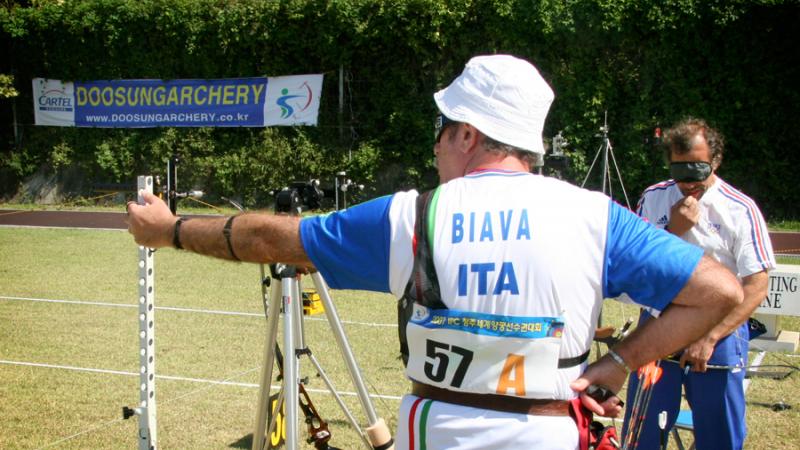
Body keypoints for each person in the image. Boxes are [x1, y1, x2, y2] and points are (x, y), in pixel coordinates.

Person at [127, 55, 742, 450]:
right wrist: (618, 366)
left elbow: (271, 239)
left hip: (437, 432)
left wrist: (168, 229)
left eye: (442, 129)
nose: (437, 146)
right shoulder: (593, 215)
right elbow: (718, 292)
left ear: (468, 134)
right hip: (551, 434)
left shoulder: (414, 213)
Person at [621, 118, 775, 450]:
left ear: (715, 161)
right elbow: (635, 266)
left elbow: (756, 285)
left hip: (717, 331)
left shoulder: (740, 209)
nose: (688, 183)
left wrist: (712, 335)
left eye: (697, 171)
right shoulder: (654, 198)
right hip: (659, 326)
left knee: (720, 435)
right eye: (680, 172)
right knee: (640, 433)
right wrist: (673, 230)